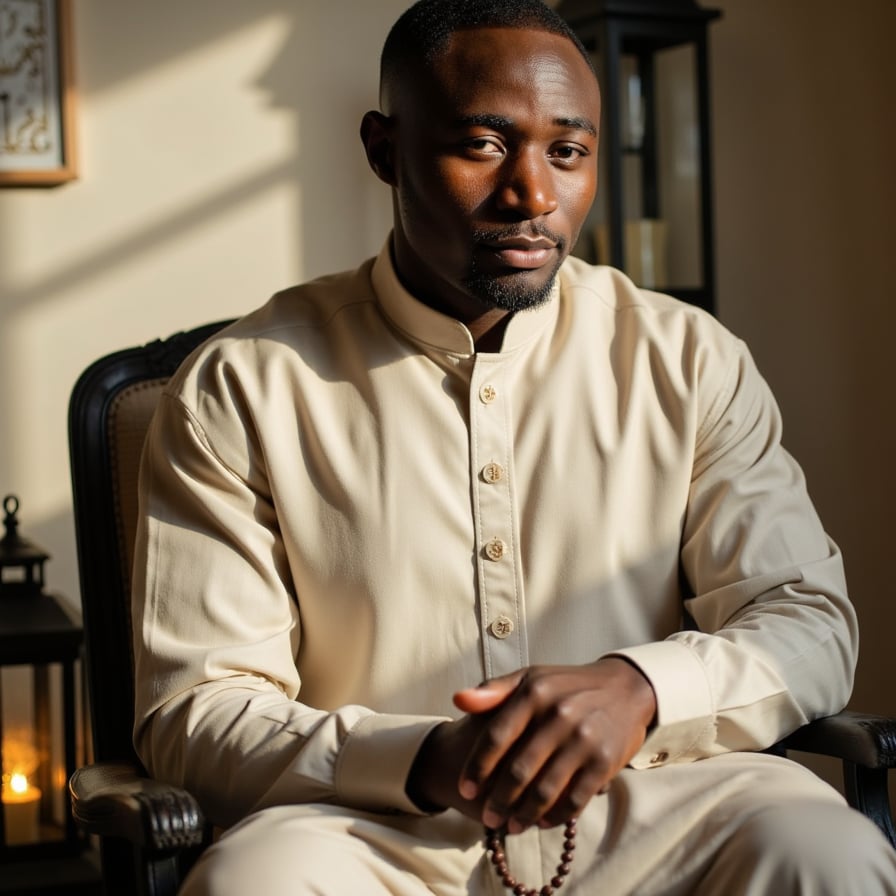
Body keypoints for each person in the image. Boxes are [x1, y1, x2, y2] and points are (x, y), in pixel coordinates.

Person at [131, 1, 896, 893]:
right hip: (372, 832)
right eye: (484, 145)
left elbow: (807, 621)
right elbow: (197, 710)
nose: (532, 196)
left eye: (567, 152)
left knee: (825, 851)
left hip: (660, 798)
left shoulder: (688, 358)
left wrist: (642, 690)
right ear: (384, 150)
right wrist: (423, 756)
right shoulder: (242, 385)